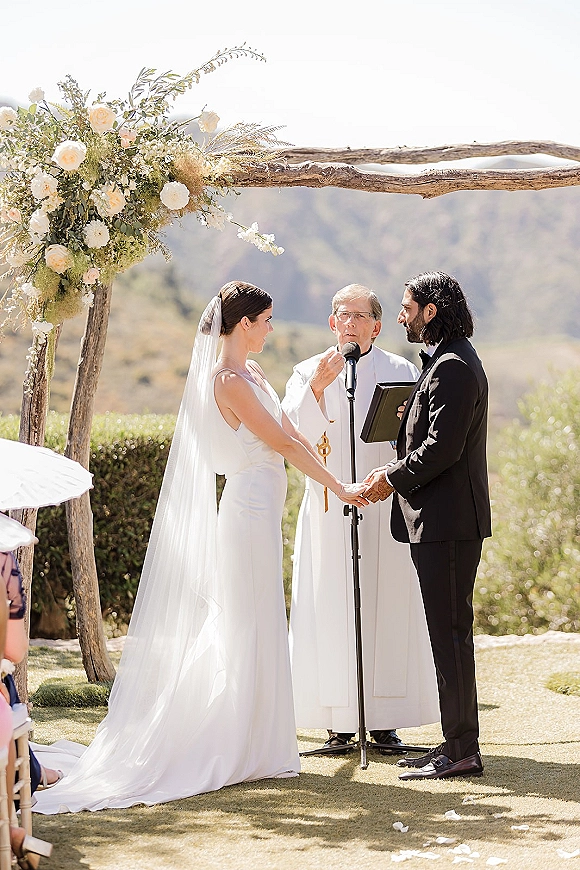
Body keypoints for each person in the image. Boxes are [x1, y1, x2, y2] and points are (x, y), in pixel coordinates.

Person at [33, 281, 366, 814]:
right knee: (245, 624)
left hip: (262, 510)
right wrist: (338, 487)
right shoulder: (227, 380)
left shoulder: (254, 373)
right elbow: (279, 443)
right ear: (243, 324)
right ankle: (230, 741)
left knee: (259, 622)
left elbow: (291, 433)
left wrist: (337, 478)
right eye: (266, 320)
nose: (272, 329)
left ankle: (260, 743)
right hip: (246, 513)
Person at [282, 284, 439, 752]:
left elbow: (419, 435)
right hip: (330, 508)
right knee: (331, 605)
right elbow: (289, 431)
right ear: (331, 323)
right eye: (341, 315)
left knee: (385, 606)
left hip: (383, 505)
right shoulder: (307, 371)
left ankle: (385, 719)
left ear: (376, 324)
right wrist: (317, 388)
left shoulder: (401, 370)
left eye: (359, 315)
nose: (348, 323)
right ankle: (339, 721)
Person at [362, 271, 491, 780]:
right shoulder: (447, 360)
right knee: (446, 634)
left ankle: (462, 752)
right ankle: (453, 745)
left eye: (407, 307)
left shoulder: (455, 366)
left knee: (451, 636)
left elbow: (443, 448)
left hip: (449, 523)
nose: (401, 316)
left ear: (431, 310)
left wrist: (388, 479)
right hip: (439, 522)